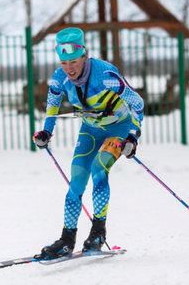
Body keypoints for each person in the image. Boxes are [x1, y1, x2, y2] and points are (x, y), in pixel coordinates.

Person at [33, 27, 144, 259]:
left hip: (118, 127)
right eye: (64, 62)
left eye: (73, 61)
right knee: (76, 180)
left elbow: (137, 102)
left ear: (84, 55)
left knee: (98, 169)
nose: (69, 68)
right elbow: (52, 106)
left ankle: (98, 233)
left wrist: (133, 136)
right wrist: (46, 132)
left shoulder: (105, 75)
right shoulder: (59, 77)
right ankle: (66, 239)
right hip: (91, 130)